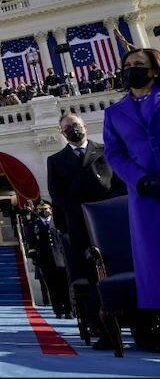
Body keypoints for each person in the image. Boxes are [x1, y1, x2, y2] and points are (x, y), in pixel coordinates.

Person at [47, 112, 125, 347]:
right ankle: (104, 328)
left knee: (121, 267)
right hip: (82, 225)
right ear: (62, 133)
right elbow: (57, 195)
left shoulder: (105, 151)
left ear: (85, 126)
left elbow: (120, 185)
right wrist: (83, 209)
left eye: (76, 125)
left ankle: (141, 323)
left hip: (111, 223)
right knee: (93, 277)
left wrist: (108, 208)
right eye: (67, 127)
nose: (73, 130)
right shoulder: (56, 160)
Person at [103, 48, 160, 316]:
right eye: (126, 66)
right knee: (154, 257)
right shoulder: (114, 113)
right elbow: (114, 154)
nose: (131, 69)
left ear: (154, 70)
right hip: (146, 194)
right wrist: (141, 181)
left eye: (138, 64)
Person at [26, 202, 71, 318]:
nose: (44, 211)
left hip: (60, 259)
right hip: (45, 260)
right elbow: (31, 243)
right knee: (52, 287)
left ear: (50, 210)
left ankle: (68, 310)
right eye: (41, 210)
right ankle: (58, 310)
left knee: (64, 286)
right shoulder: (34, 225)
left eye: (46, 209)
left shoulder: (57, 222)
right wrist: (35, 259)